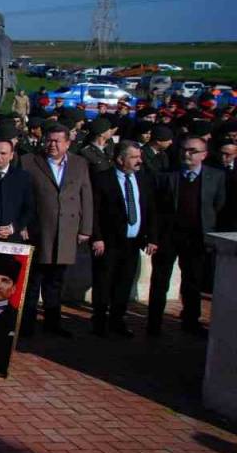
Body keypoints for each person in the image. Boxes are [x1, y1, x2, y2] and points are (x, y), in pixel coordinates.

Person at [148, 135, 226, 336]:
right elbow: (155, 209)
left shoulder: (216, 177)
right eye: (184, 149)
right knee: (160, 281)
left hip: (197, 238)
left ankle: (191, 320)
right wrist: (154, 237)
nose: (187, 154)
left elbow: (219, 208)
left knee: (193, 282)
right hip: (169, 237)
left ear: (204, 155)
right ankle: (154, 322)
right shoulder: (167, 176)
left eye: (193, 151)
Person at [20, 124, 92, 338]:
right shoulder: (29, 162)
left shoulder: (79, 164)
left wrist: (86, 228)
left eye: (56, 141)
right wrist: (22, 224)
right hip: (38, 230)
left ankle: (53, 323)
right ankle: (26, 325)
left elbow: (85, 196)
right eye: (48, 140)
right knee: (33, 281)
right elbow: (22, 196)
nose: (51, 144)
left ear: (67, 143)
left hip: (66, 231)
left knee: (56, 281)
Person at [90, 141, 158, 338]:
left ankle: (117, 320)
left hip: (133, 242)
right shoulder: (102, 179)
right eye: (134, 157)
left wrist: (152, 237)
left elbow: (151, 210)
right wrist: (97, 237)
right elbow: (93, 211)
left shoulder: (143, 179)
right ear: (120, 159)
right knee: (104, 282)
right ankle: (100, 321)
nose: (139, 161)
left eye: (139, 156)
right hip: (108, 242)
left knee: (125, 282)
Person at [0, 138, 33, 243]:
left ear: (11, 155)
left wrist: (14, 227)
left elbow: (29, 208)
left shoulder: (23, 177)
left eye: (3, 153)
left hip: (13, 239)